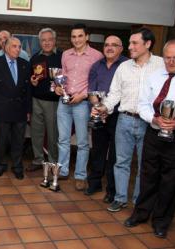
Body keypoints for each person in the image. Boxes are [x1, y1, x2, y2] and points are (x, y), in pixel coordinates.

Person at [124, 40, 175, 238]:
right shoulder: (155, 77)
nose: (171, 61)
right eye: (167, 57)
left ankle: (161, 221)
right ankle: (140, 214)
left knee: (171, 180)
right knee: (148, 175)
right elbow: (143, 104)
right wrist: (153, 118)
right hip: (154, 132)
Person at [94, 28, 164, 212]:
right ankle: (120, 198)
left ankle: (139, 201)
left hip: (149, 123)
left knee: (144, 165)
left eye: (135, 43)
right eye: (130, 43)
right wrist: (104, 107)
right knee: (121, 162)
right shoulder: (124, 67)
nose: (130, 47)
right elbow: (114, 94)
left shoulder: (161, 65)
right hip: (124, 120)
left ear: (147, 44)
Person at [54, 23, 103, 191]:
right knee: (63, 139)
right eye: (73, 36)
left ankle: (80, 175)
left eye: (80, 36)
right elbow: (62, 76)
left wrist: (83, 95)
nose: (77, 39)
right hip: (64, 101)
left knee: (82, 142)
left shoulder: (97, 56)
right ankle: (63, 170)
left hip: (82, 103)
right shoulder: (66, 54)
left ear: (87, 37)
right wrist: (58, 87)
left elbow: (97, 81)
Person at [84, 35, 128, 202]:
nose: (109, 48)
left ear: (121, 48)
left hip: (118, 116)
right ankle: (94, 184)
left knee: (115, 155)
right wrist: (98, 108)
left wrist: (107, 109)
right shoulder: (96, 66)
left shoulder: (126, 66)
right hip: (99, 114)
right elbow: (91, 91)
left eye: (114, 45)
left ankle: (112, 190)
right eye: (107, 45)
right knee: (97, 151)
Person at [0, 37, 31, 180]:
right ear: (6, 47)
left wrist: (28, 110)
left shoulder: (25, 64)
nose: (18, 49)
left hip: (20, 110)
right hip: (1, 109)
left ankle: (17, 166)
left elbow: (28, 89)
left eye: (19, 46)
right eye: (14, 46)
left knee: (18, 141)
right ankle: (0, 165)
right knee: (1, 141)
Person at [26, 27, 61, 171]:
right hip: (36, 100)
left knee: (53, 134)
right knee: (36, 132)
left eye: (49, 40)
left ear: (54, 40)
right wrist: (32, 81)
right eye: (43, 40)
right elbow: (30, 79)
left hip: (54, 102)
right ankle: (38, 159)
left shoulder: (62, 56)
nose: (46, 43)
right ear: (40, 42)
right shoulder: (34, 58)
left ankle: (53, 161)